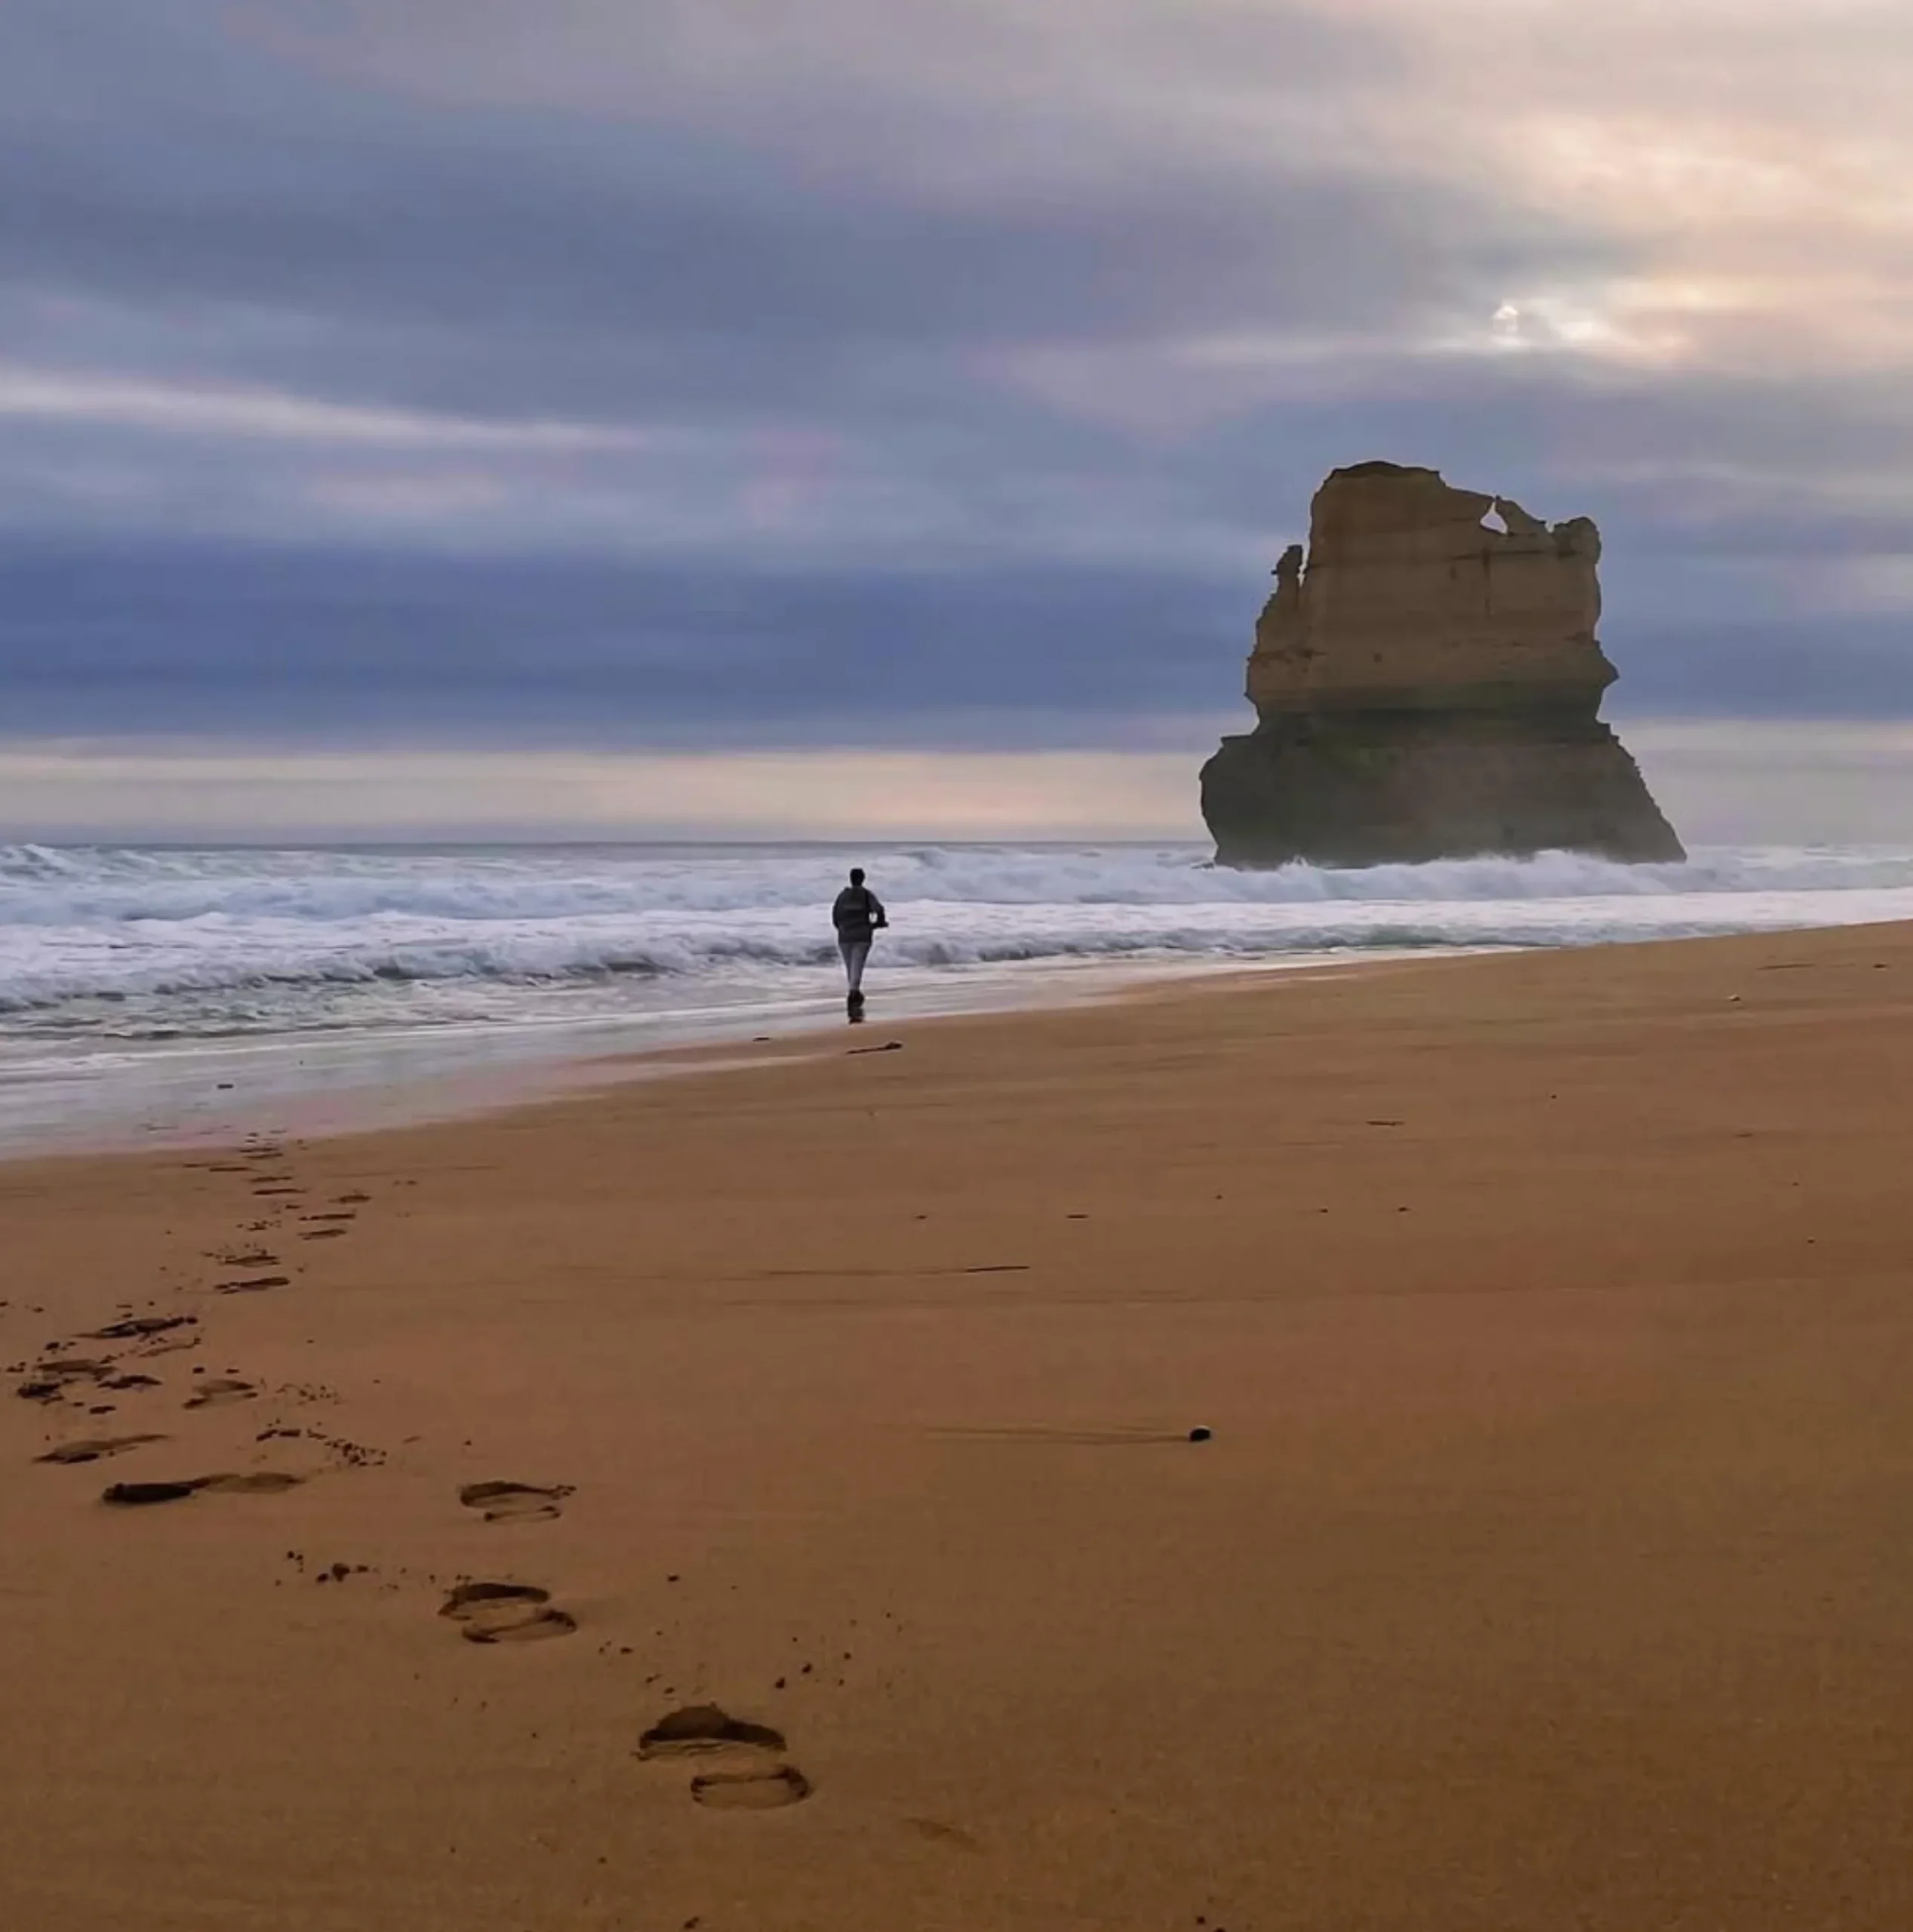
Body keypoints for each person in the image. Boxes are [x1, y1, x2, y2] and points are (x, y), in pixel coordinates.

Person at [831, 866, 887, 1017]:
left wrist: (842, 929)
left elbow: (835, 916)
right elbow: (879, 910)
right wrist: (878, 924)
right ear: (863, 879)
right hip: (862, 935)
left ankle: (853, 991)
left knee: (850, 966)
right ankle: (854, 992)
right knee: (857, 965)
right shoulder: (866, 895)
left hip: (844, 936)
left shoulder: (842, 896)